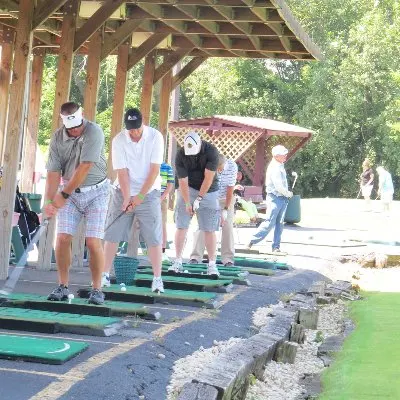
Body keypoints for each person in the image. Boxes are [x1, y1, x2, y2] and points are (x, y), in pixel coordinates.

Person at [44, 102, 109, 305]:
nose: (75, 130)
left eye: (78, 126)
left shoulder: (94, 131)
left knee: (92, 241)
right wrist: (49, 201)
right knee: (62, 238)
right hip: (69, 194)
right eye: (71, 128)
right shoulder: (57, 138)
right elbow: (53, 172)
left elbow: (85, 166)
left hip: (97, 192)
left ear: (82, 118)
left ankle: (97, 289)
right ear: (65, 124)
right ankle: (62, 286)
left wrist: (61, 196)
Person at [102, 108, 164, 293]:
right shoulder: (119, 140)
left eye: (137, 128)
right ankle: (104, 274)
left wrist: (139, 197)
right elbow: (122, 172)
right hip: (123, 191)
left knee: (153, 237)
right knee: (112, 234)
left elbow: (154, 171)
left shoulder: (156, 137)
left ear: (142, 122)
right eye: (131, 129)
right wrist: (127, 198)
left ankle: (157, 278)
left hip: (149, 192)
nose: (134, 133)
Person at [170, 131, 220, 276]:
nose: (191, 155)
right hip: (188, 188)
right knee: (181, 226)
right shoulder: (181, 154)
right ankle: (177, 261)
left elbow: (208, 179)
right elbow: (183, 181)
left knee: (209, 229)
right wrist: (187, 202)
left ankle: (211, 264)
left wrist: (199, 199)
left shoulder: (211, 151)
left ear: (200, 145)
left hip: (209, 190)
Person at [189, 154, 238, 267]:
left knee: (227, 225)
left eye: (220, 169)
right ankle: (195, 257)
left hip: (226, 198)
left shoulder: (232, 167)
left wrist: (225, 209)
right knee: (202, 225)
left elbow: (230, 189)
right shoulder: (207, 166)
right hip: (209, 196)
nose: (219, 172)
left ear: (224, 165)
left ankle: (228, 259)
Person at [247, 145, 293, 253]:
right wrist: (288, 193)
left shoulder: (280, 164)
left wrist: (286, 194)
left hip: (281, 198)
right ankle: (251, 241)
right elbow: (279, 187)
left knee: (279, 223)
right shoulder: (275, 167)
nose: (286, 155)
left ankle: (276, 247)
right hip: (275, 198)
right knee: (269, 222)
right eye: (283, 154)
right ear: (277, 156)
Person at [160, 162, 174, 263]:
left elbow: (170, 185)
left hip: (161, 198)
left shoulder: (167, 167)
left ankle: (162, 251)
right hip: (146, 198)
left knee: (162, 224)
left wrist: (161, 197)